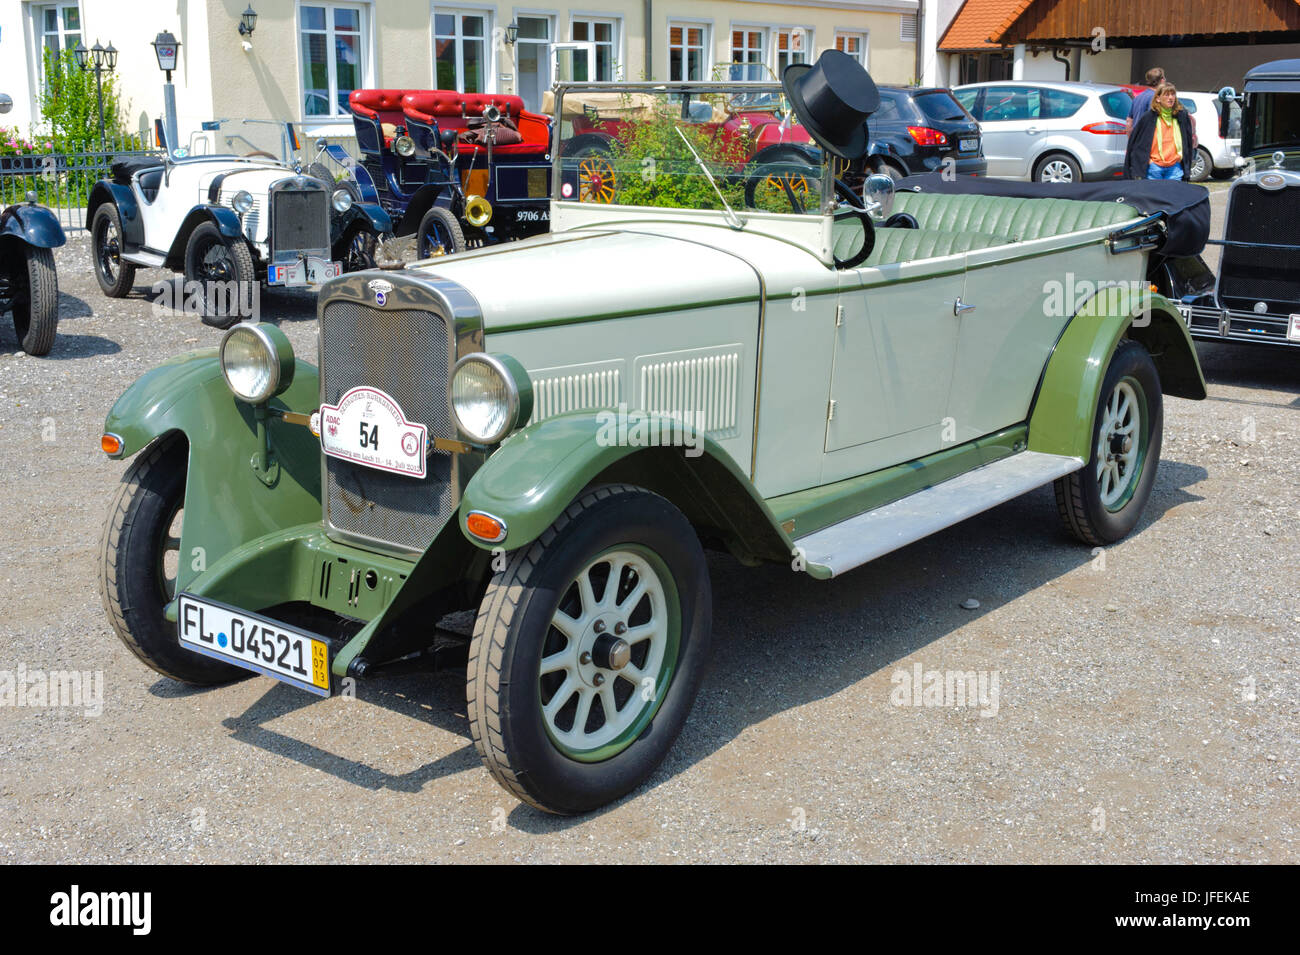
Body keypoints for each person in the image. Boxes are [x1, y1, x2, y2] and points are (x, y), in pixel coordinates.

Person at [1125, 82, 1196, 180]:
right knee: (1154, 195)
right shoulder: (1149, 117)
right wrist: (1149, 161)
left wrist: (1183, 160)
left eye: (1173, 94)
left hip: (1174, 167)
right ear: (1158, 98)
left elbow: (1188, 141)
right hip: (1155, 167)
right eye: (1166, 95)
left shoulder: (1181, 116)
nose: (1170, 98)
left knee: (1174, 195)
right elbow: (1138, 143)